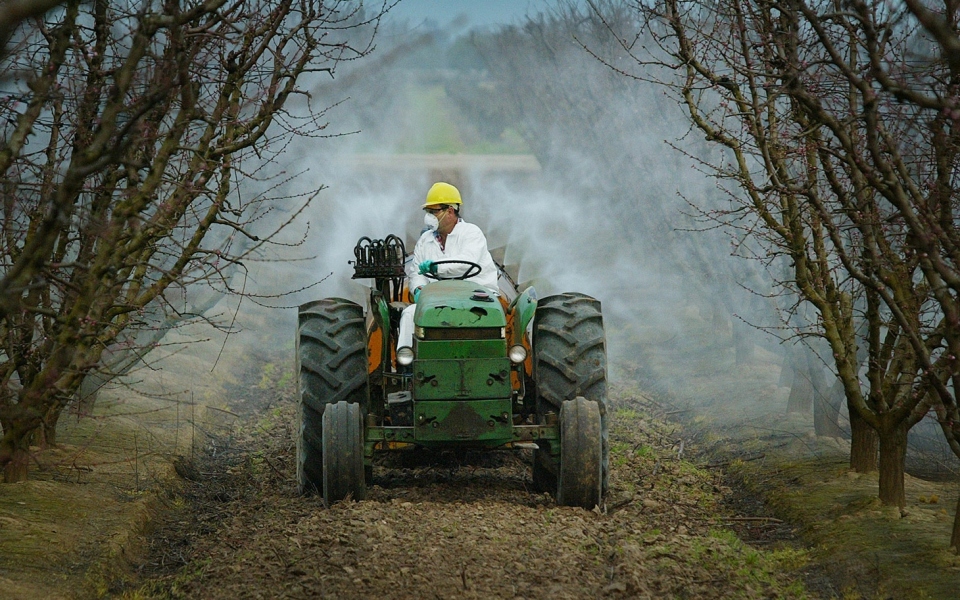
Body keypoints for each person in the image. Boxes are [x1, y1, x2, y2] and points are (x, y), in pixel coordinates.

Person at [397, 182, 498, 350]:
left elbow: (466, 263)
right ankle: (407, 366)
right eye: (427, 212)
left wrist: (436, 268)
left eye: (433, 211)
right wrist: (418, 289)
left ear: (450, 211)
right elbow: (416, 271)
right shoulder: (425, 240)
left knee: (487, 319)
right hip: (436, 300)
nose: (428, 217)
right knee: (409, 314)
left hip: (477, 297)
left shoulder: (471, 233)